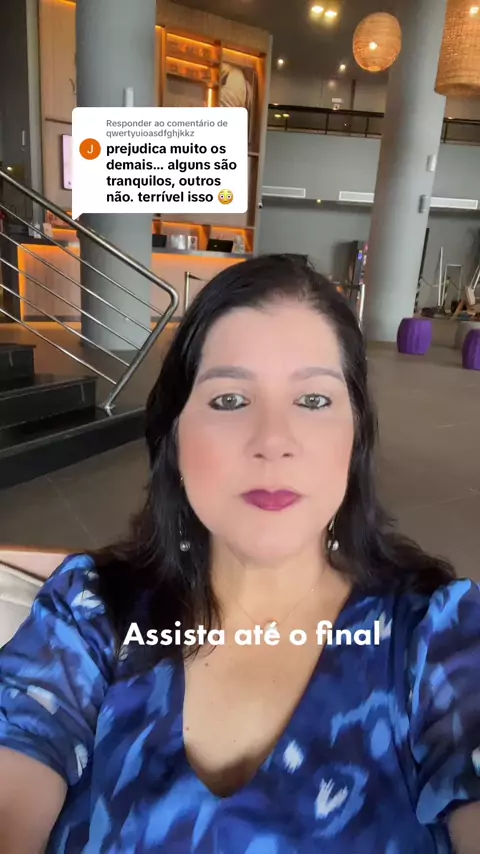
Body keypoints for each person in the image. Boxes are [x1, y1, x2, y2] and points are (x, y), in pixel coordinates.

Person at [0, 253, 479, 853]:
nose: (273, 441)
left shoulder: (436, 638)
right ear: (173, 436)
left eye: (313, 400)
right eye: (229, 400)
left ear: (356, 434)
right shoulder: (92, 614)